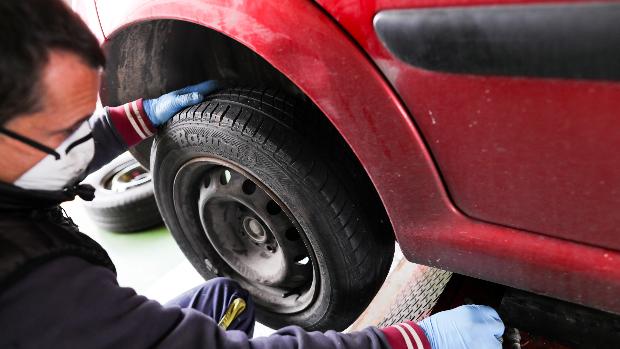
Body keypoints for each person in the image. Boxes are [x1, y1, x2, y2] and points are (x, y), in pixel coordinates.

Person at [0, 1, 505, 348]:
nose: (82, 142)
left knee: (217, 304)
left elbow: (55, 155)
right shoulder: (33, 287)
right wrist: (410, 340)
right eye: (62, 130)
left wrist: (140, 116)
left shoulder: (18, 170)